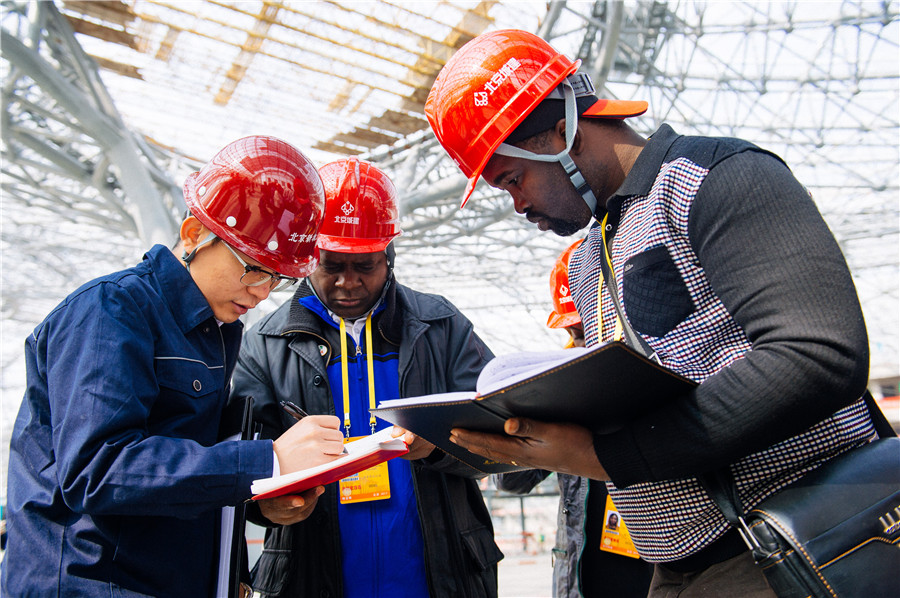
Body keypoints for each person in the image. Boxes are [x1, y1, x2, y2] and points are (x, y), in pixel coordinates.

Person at [425, 29, 876, 596]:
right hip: (678, 570)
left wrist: (607, 455)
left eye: (512, 179)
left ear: (562, 132)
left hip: (787, 544)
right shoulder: (594, 256)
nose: (517, 205)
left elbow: (817, 353)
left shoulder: (717, 176)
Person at [1, 136, 349, 598]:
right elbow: (96, 470)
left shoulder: (216, 332)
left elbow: (183, 470)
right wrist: (268, 459)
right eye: (252, 267)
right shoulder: (111, 312)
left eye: (278, 277)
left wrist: (261, 501)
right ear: (192, 235)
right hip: (93, 582)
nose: (263, 291)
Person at [231, 157, 503, 598]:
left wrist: (438, 447)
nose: (348, 283)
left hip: (440, 575)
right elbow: (238, 461)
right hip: (313, 576)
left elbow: (502, 437)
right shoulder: (266, 344)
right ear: (306, 260)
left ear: (389, 258)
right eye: (332, 265)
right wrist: (266, 509)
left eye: (365, 266)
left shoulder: (441, 326)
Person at [495, 240, 652, 598]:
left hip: (656, 577)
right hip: (581, 581)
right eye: (575, 335)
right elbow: (511, 483)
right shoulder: (568, 394)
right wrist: (525, 412)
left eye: (590, 332)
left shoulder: (661, 386)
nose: (582, 346)